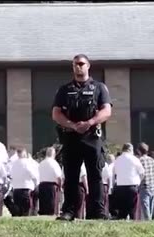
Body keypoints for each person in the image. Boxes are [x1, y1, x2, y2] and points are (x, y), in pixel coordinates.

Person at [52, 54, 112, 221]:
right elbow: (56, 113)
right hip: (71, 137)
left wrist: (90, 122)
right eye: (75, 65)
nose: (78, 67)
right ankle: (69, 211)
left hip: (92, 137)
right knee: (71, 176)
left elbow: (106, 110)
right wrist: (72, 125)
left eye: (81, 64)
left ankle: (97, 211)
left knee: (95, 176)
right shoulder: (64, 89)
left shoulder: (99, 87)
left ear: (88, 66)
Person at [111, 143, 144, 220]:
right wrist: (139, 182)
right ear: (131, 150)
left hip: (120, 187)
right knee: (133, 211)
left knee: (122, 211)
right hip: (132, 186)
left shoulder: (117, 160)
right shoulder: (134, 159)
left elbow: (114, 173)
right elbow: (142, 173)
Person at [9, 147, 39, 216]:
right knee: (26, 209)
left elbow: (11, 175)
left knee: (18, 209)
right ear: (25, 154)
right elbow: (33, 175)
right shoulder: (28, 163)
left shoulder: (14, 164)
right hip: (26, 188)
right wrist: (36, 184)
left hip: (16, 189)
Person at [38, 147, 63, 216]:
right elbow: (59, 177)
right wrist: (60, 186)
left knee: (43, 205)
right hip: (51, 186)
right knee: (51, 205)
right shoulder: (54, 163)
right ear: (54, 154)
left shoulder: (41, 163)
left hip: (42, 185)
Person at [137, 142, 154, 221]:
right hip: (153, 186)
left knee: (145, 207)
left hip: (144, 186)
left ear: (139, 151)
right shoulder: (152, 160)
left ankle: (147, 222)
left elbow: (140, 174)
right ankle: (149, 220)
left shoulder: (140, 160)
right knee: (151, 206)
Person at [101, 154, 115, 218]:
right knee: (106, 202)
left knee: (102, 201)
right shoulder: (106, 166)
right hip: (105, 184)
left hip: (100, 184)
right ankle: (105, 214)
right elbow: (108, 177)